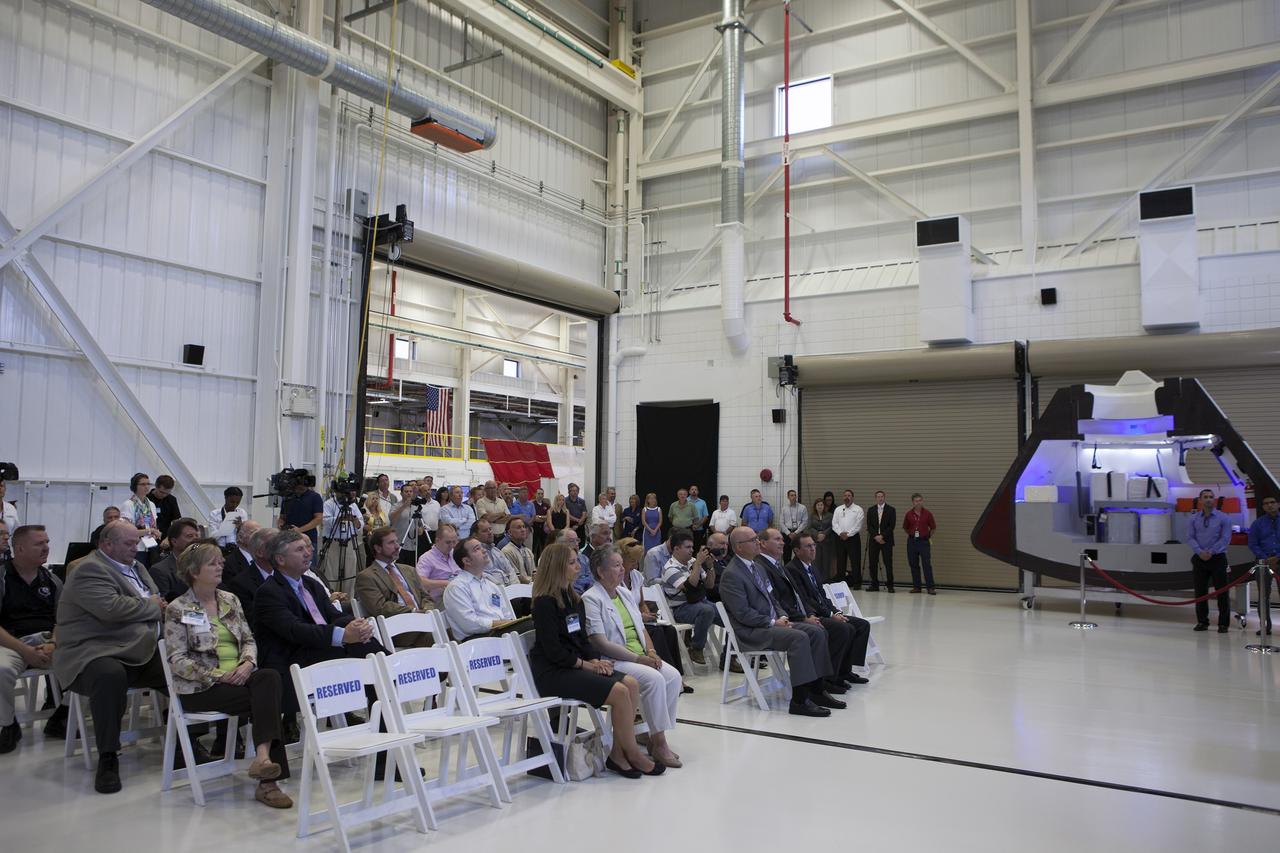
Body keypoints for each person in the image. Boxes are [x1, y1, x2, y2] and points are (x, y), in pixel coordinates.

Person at [164, 543, 292, 808]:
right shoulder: (179, 608)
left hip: (240, 679)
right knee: (267, 700)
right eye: (212, 563)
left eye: (221, 561)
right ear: (193, 571)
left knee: (269, 678)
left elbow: (248, 638)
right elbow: (177, 660)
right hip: (200, 687)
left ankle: (263, 759)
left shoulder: (229, 600)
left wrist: (247, 663)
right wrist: (217, 675)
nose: (220, 566)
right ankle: (268, 782)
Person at [52, 520, 167, 793]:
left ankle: (189, 740)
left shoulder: (137, 568)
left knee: (181, 667)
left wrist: (153, 606)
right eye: (128, 543)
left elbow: (158, 600)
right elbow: (112, 609)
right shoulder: (89, 569)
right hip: (93, 650)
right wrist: (151, 606)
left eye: (136, 542)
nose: (135, 547)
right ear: (107, 544)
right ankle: (108, 755)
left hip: (137, 647)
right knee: (108, 675)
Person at [528, 543, 661, 778]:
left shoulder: (573, 599)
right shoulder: (544, 603)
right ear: (557, 567)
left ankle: (619, 755)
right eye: (571, 562)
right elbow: (554, 651)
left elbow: (582, 640)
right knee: (620, 693)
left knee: (631, 684)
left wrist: (594, 659)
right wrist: (587, 665)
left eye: (576, 561)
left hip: (575, 665)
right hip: (554, 672)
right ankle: (633, 753)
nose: (578, 566)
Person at [251, 531, 383, 717]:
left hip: (318, 652)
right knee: (366, 656)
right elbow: (296, 630)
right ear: (280, 559)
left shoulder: (311, 584)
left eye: (307, 548)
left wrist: (355, 625)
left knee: (364, 651)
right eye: (299, 550)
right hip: (291, 663)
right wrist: (343, 636)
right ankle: (392, 670)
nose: (308, 553)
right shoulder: (269, 593)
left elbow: (334, 616)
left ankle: (387, 682)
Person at [719, 526, 837, 718]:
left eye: (757, 538)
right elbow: (742, 614)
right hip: (751, 631)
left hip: (772, 623)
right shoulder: (732, 574)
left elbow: (773, 600)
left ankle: (817, 689)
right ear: (739, 547)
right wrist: (773, 622)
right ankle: (799, 700)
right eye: (753, 540)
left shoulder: (756, 567)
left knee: (816, 631)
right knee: (799, 638)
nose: (757, 542)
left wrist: (782, 617)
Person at [584, 545, 683, 768]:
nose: (623, 570)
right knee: (655, 679)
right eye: (617, 566)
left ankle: (650, 732)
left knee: (674, 676)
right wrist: (638, 660)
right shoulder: (591, 598)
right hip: (616, 660)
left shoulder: (625, 593)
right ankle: (659, 742)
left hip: (641, 655)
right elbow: (600, 642)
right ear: (600, 571)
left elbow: (642, 628)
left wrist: (651, 651)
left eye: (622, 565)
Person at [1, 525, 68, 752]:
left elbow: (63, 619)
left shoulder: (52, 580)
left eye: (47, 542)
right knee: (1, 669)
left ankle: (62, 716)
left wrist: (53, 643)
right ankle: (8, 724)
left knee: (90, 660)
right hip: (10, 643)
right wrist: (24, 650)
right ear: (19, 548)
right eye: (39, 543)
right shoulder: (2, 576)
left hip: (47, 642)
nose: (46, 548)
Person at [782, 531, 871, 687]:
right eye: (808, 546)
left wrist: (836, 612)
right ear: (796, 551)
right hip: (812, 614)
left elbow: (822, 596)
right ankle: (830, 677)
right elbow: (806, 599)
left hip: (824, 611)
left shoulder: (813, 568)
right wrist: (830, 614)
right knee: (844, 629)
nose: (813, 549)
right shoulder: (792, 569)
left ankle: (845, 671)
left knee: (862, 625)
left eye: (813, 545)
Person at [616, 538, 688, 688]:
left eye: (637, 561)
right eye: (632, 562)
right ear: (622, 560)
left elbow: (641, 602)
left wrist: (647, 615)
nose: (635, 565)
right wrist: (640, 617)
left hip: (640, 619)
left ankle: (676, 674)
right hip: (628, 622)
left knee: (670, 630)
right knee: (657, 633)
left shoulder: (636, 576)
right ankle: (660, 668)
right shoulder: (615, 579)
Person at [354, 527, 434, 649]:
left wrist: (428, 611)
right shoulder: (366, 577)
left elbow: (425, 596)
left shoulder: (409, 570)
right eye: (391, 543)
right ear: (378, 548)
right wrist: (412, 612)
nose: (397, 546)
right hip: (398, 629)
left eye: (396, 542)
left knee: (452, 630)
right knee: (441, 637)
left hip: (423, 621)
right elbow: (380, 608)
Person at [442, 537, 529, 641]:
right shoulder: (457, 587)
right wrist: (502, 623)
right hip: (477, 640)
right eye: (477, 549)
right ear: (467, 561)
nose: (483, 550)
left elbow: (507, 614)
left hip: (500, 632)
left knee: (535, 625)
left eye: (482, 547)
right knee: (532, 626)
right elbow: (469, 624)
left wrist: (508, 623)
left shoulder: (491, 585)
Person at [659, 531, 721, 665]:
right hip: (680, 609)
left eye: (692, 547)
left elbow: (710, 585)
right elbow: (690, 586)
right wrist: (698, 564)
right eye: (687, 547)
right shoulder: (670, 568)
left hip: (699, 602)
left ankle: (732, 652)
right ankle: (696, 648)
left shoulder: (692, 562)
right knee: (707, 611)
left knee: (727, 613)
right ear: (676, 549)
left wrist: (710, 567)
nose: (691, 550)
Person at [1186, 489, 1232, 633]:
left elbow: (1225, 539)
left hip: (1218, 558)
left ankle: (1223, 624)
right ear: (1200, 500)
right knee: (1200, 592)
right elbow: (1190, 537)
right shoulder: (1193, 519)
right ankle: (1202, 622)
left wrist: (1211, 552)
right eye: (1205, 497)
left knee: (1222, 592)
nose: (1208, 499)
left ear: (1215, 500)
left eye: (1211, 497)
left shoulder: (1224, 518)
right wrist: (1200, 552)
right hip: (1199, 559)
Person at [222, 528, 276, 614]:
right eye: (275, 546)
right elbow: (254, 619)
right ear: (259, 552)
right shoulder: (241, 584)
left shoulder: (287, 576)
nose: (282, 550)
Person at [147, 517, 202, 601]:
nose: (196, 539)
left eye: (197, 536)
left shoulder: (205, 564)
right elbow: (168, 604)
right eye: (190, 536)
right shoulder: (159, 571)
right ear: (174, 542)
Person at [1248, 495, 1280, 636]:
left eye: (1272, 502)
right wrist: (1265, 558)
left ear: (1278, 504)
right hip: (1263, 563)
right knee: (1263, 596)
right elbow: (1253, 544)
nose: (1270, 505)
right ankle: (1265, 626)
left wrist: (1277, 558)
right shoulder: (1257, 524)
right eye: (1266, 503)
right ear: (1263, 507)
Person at [319, 488, 364, 587]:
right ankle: (332, 598)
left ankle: (347, 599)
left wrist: (354, 519)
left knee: (350, 573)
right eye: (342, 492)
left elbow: (361, 524)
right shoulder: (328, 504)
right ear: (336, 492)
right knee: (331, 574)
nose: (344, 495)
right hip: (333, 542)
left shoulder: (352, 505)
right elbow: (325, 521)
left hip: (350, 543)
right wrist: (340, 518)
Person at [278, 477, 324, 564]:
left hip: (308, 538)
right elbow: (282, 517)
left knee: (309, 566)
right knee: (290, 564)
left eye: (302, 487)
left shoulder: (315, 497)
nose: (299, 489)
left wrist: (299, 530)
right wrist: (281, 524)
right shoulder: (288, 497)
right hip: (288, 538)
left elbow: (318, 519)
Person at [414, 523, 461, 604]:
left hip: (459, 593)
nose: (451, 546)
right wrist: (446, 583)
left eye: (454, 542)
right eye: (448, 542)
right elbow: (420, 582)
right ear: (437, 540)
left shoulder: (455, 554)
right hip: (440, 600)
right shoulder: (426, 558)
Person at [903, 493, 937, 594]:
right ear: (913, 502)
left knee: (926, 564)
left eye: (920, 501)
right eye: (916, 501)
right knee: (913, 564)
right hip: (912, 542)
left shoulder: (928, 514)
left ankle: (930, 587)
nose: (918, 503)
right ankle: (917, 587)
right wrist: (911, 534)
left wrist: (927, 536)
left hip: (924, 542)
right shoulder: (908, 514)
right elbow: (905, 527)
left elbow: (933, 527)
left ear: (922, 501)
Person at [122, 472, 162, 558]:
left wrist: (156, 533)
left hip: (151, 547)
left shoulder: (151, 505)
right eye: (143, 484)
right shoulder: (128, 504)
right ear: (135, 486)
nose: (147, 486)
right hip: (135, 547)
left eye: (148, 484)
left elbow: (154, 526)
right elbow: (127, 532)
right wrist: (149, 531)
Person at [831, 490, 865, 590]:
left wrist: (848, 534)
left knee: (855, 561)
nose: (847, 497)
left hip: (853, 538)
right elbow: (834, 523)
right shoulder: (838, 509)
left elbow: (858, 525)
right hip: (840, 538)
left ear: (852, 497)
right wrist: (840, 533)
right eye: (845, 495)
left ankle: (857, 583)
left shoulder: (858, 509)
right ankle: (841, 582)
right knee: (840, 561)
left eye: (849, 495)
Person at [866, 490, 897, 593]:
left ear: (884, 497)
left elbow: (891, 526)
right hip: (874, 540)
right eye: (878, 496)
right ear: (876, 498)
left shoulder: (891, 510)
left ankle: (890, 585)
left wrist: (882, 536)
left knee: (888, 563)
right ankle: (874, 584)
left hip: (886, 540)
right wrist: (876, 536)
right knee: (872, 563)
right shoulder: (871, 510)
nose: (880, 498)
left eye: (882, 496)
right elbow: (869, 526)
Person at [473, 518, 517, 586]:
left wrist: (514, 587)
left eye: (490, 529)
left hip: (510, 590)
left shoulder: (497, 551)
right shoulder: (475, 554)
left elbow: (511, 571)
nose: (490, 532)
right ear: (475, 535)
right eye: (485, 531)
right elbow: (483, 577)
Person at [389, 481, 420, 565]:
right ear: (401, 493)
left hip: (413, 545)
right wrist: (404, 506)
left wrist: (421, 528)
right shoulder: (396, 505)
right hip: (399, 543)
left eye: (410, 491)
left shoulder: (416, 507)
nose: (409, 493)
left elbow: (420, 523)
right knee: (399, 568)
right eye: (406, 492)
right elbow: (392, 519)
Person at [500, 518, 537, 586]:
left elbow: (534, 573)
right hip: (519, 589)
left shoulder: (528, 551)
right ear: (510, 532)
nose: (523, 530)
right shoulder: (506, 551)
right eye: (518, 527)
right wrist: (532, 585)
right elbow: (517, 577)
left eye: (523, 527)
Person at [805, 498, 833, 580]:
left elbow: (832, 527)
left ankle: (826, 581)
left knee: (826, 562)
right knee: (816, 562)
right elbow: (808, 528)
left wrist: (824, 534)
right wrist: (817, 534)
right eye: (818, 505)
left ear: (824, 506)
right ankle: (817, 580)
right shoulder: (812, 516)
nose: (820, 506)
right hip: (815, 542)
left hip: (827, 541)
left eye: (821, 505)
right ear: (815, 506)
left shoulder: (830, 515)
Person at [778, 489, 809, 565]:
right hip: (787, 533)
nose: (794, 497)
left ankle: (799, 570)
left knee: (799, 553)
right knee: (786, 555)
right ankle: (787, 572)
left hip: (798, 532)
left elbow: (805, 522)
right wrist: (789, 533)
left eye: (795, 495)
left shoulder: (802, 507)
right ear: (788, 497)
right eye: (792, 495)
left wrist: (795, 533)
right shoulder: (784, 508)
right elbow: (781, 522)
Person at [531, 489, 550, 557]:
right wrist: (543, 518)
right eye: (539, 494)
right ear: (535, 494)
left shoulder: (547, 505)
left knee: (544, 546)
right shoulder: (532, 504)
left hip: (544, 529)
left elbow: (548, 517)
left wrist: (539, 517)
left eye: (542, 494)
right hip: (534, 529)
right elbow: (533, 517)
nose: (540, 495)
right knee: (534, 547)